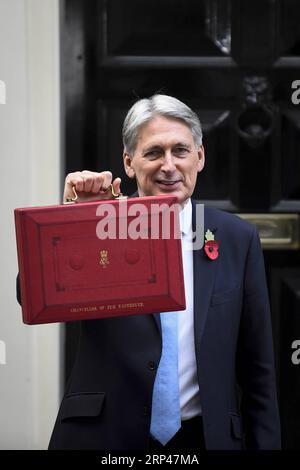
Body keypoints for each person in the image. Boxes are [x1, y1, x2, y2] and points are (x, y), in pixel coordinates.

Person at [27, 95, 282, 450]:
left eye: (180, 150)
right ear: (129, 163)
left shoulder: (237, 239)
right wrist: (78, 223)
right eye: (153, 153)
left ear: (200, 157)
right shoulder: (105, 225)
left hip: (204, 438)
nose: (169, 166)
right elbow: (33, 297)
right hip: (105, 437)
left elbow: (258, 370)